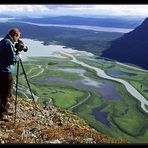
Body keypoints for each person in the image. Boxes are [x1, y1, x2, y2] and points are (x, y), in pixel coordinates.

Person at [0, 28, 21, 121]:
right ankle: (1, 114)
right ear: (15, 35)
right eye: (18, 37)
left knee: (3, 92)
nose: (17, 40)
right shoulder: (8, 43)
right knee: (6, 92)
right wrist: (18, 56)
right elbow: (12, 59)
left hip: (1, 70)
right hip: (5, 71)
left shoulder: (3, 41)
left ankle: (4, 109)